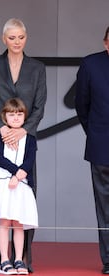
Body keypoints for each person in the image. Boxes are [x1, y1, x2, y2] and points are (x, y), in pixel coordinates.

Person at [0, 18, 47, 273]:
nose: (17, 42)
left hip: (25, 144)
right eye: (11, 37)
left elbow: (40, 106)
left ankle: (23, 260)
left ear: (26, 38)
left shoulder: (37, 68)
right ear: (3, 39)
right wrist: (2, 127)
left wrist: (23, 131)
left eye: (21, 37)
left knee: (23, 203)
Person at [0, 98, 38, 275]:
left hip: (21, 185)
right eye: (11, 114)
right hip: (4, 184)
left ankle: (18, 260)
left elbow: (30, 159)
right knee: (4, 222)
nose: (15, 118)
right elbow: (0, 159)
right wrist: (16, 173)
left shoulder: (30, 138)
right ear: (4, 117)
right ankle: (3, 260)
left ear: (25, 116)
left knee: (18, 224)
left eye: (19, 114)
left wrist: (20, 175)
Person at [75, 26, 109, 275]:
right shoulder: (91, 64)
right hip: (101, 145)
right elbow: (81, 104)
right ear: (106, 43)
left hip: (99, 141)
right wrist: (95, 132)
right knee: (105, 207)